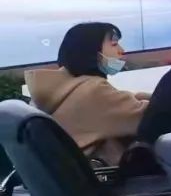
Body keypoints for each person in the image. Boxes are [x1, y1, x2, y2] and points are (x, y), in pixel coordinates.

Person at [25, 22, 149, 166]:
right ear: (91, 51)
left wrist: (138, 96)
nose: (122, 51)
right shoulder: (95, 91)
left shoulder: (66, 89)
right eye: (114, 44)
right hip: (105, 176)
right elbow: (153, 116)